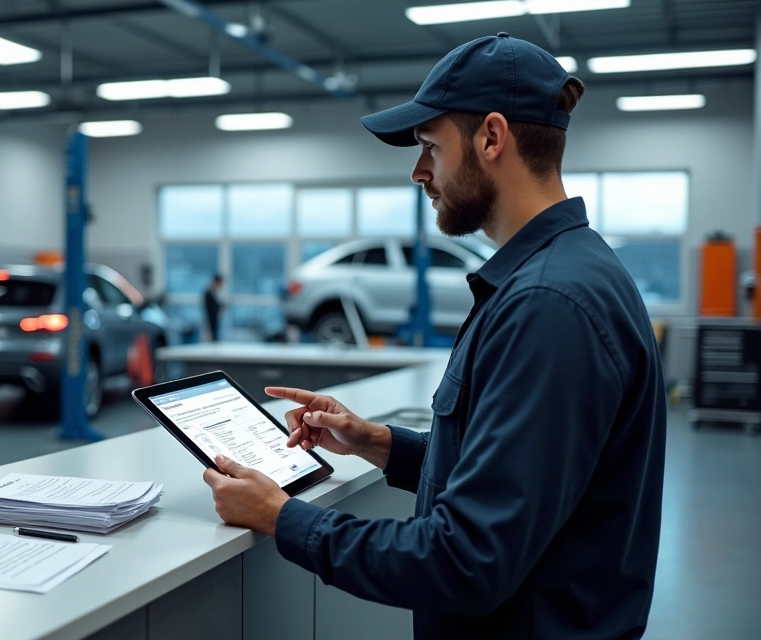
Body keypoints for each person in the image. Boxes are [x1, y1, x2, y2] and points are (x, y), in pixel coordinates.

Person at [202, 33, 666, 639]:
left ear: (492, 138)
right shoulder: (565, 272)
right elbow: (514, 478)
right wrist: (377, 442)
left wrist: (283, 517)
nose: (419, 172)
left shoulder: (548, 305)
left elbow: (465, 561)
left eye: (428, 146)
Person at [203, 274, 224, 342]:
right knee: (211, 338)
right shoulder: (208, 293)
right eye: (220, 284)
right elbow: (211, 308)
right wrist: (219, 306)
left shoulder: (213, 293)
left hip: (213, 320)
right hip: (210, 321)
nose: (220, 287)